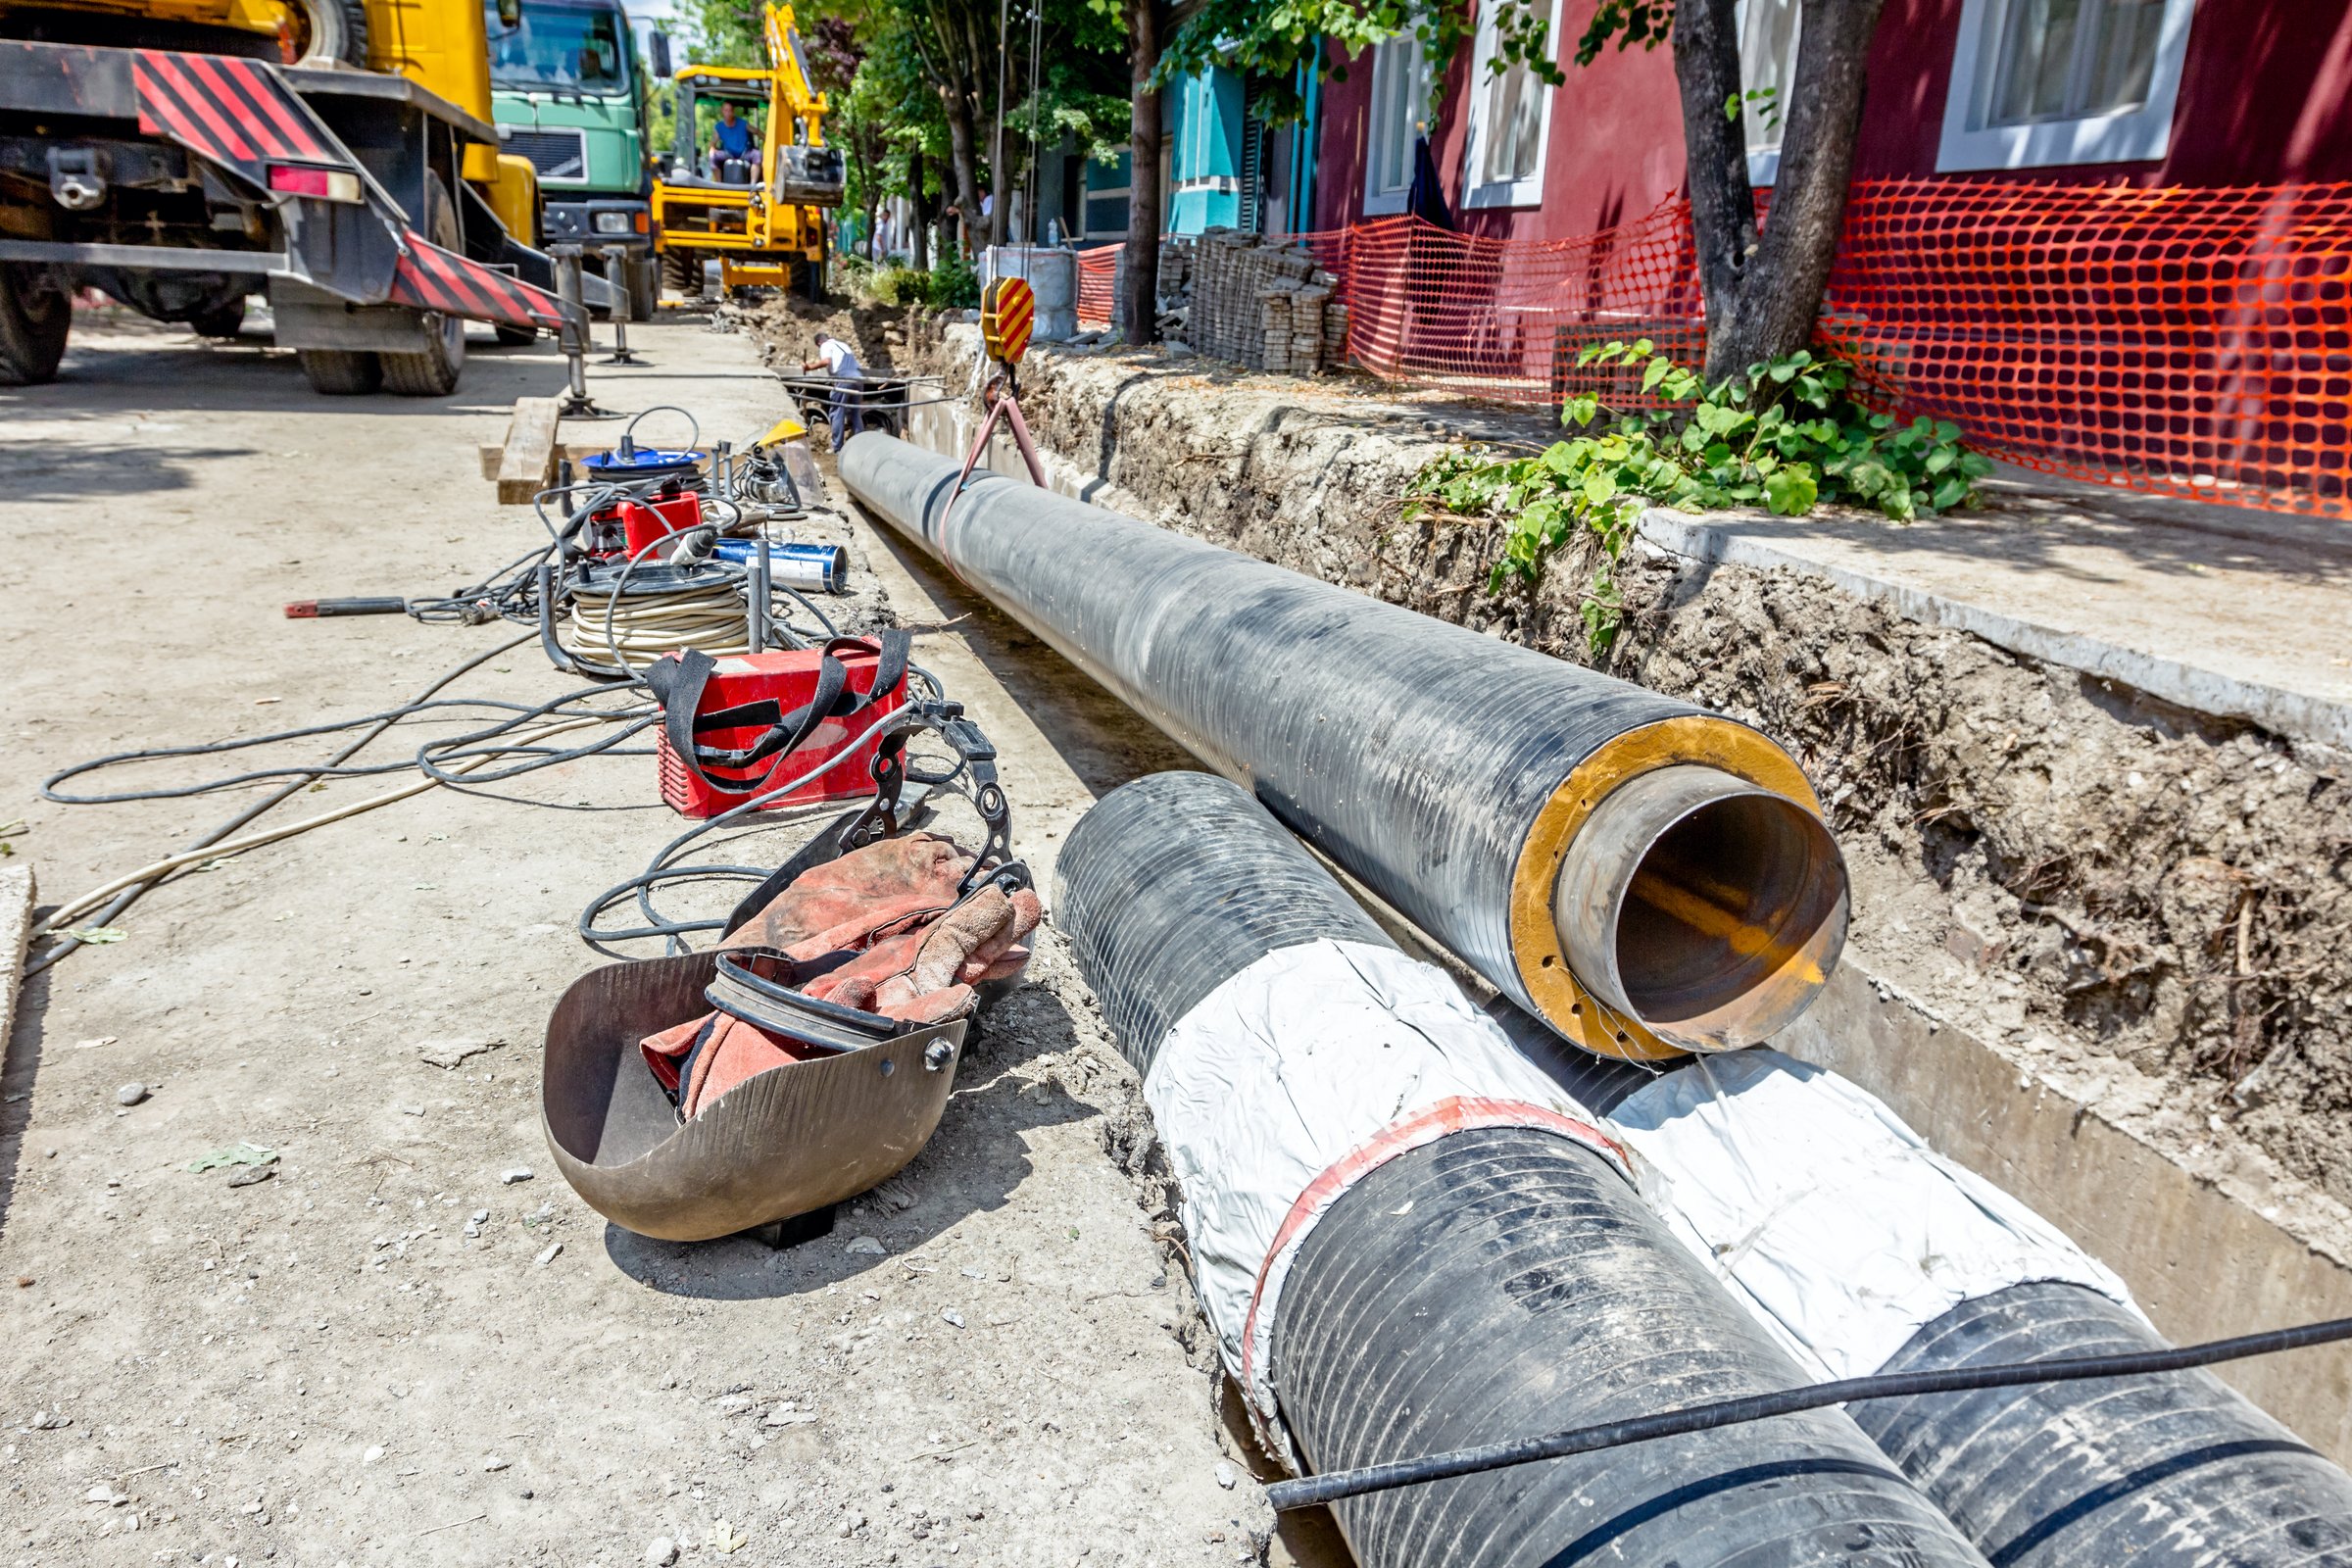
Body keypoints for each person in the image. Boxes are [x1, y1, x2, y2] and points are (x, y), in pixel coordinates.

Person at [802, 329, 865, 452]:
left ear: (819, 342)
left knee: (837, 412)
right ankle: (860, 447)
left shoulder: (825, 345)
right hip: (858, 378)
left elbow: (826, 361)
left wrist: (809, 367)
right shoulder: (843, 345)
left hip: (844, 378)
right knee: (856, 413)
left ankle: (837, 448)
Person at [710, 102, 754, 175]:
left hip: (744, 153)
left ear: (733, 112)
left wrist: (766, 139)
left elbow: (756, 131)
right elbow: (713, 143)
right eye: (726, 110)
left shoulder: (743, 123)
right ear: (722, 111)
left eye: (730, 110)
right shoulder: (719, 127)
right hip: (727, 154)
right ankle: (719, 185)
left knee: (757, 155)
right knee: (713, 158)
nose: (728, 113)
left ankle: (753, 184)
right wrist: (712, 151)